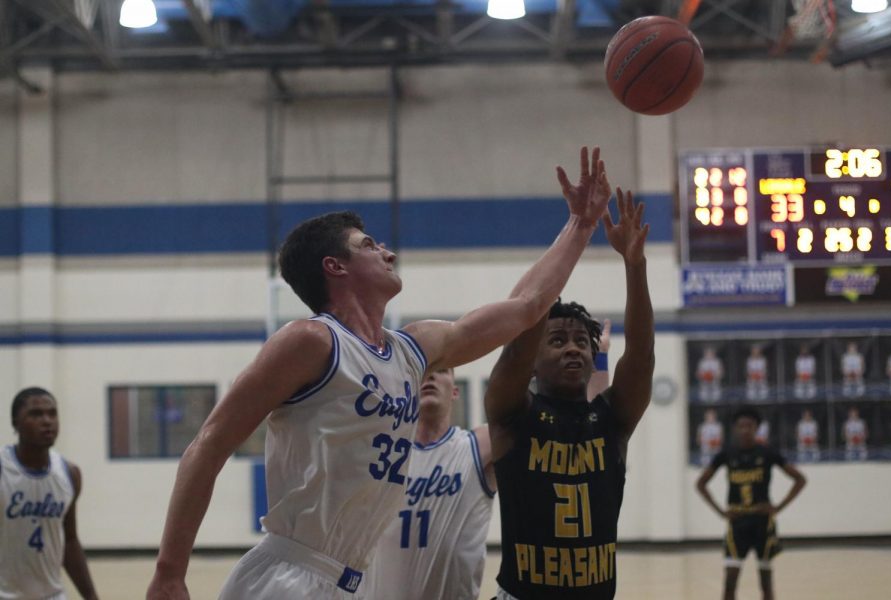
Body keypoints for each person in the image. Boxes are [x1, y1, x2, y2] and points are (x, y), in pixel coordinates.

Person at [146, 146, 612, 600]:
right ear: (335, 267)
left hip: (352, 581)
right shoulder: (311, 341)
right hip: (292, 575)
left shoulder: (412, 349)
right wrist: (170, 572)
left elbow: (527, 308)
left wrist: (580, 225)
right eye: (368, 245)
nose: (386, 251)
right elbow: (209, 444)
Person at [484, 187, 654, 600]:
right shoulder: (512, 413)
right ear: (535, 358)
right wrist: (574, 238)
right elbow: (515, 347)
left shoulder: (612, 418)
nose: (574, 347)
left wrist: (635, 265)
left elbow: (641, 354)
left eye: (582, 339)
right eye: (557, 340)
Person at [363, 324, 611, 600]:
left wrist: (599, 359)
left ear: (455, 391)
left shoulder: (475, 446)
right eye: (422, 373)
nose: (430, 378)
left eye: (441, 371)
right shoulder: (383, 452)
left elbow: (581, 430)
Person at [696, 406, 806, 600]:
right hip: (737, 522)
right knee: (730, 581)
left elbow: (799, 479)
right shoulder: (727, 454)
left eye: (750, 426)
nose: (745, 430)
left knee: (766, 582)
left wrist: (778, 507)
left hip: (762, 522)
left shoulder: (767, 453)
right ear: (735, 429)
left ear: (757, 428)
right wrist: (721, 512)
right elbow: (701, 483)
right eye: (741, 426)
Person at [1, 387, 99, 600]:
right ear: (15, 423)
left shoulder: (69, 474)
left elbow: (70, 541)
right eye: (36, 414)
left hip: (52, 596)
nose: (47, 421)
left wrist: (91, 596)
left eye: (52, 414)